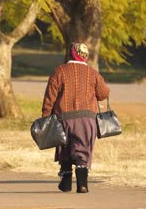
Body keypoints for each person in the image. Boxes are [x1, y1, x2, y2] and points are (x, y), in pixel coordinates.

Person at [41, 42, 109, 193]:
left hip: (64, 118)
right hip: (87, 120)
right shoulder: (93, 73)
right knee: (82, 149)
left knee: (65, 148)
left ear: (71, 53)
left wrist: (45, 116)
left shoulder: (60, 71)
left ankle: (66, 183)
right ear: (86, 56)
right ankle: (82, 184)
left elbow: (50, 96)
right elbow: (103, 93)